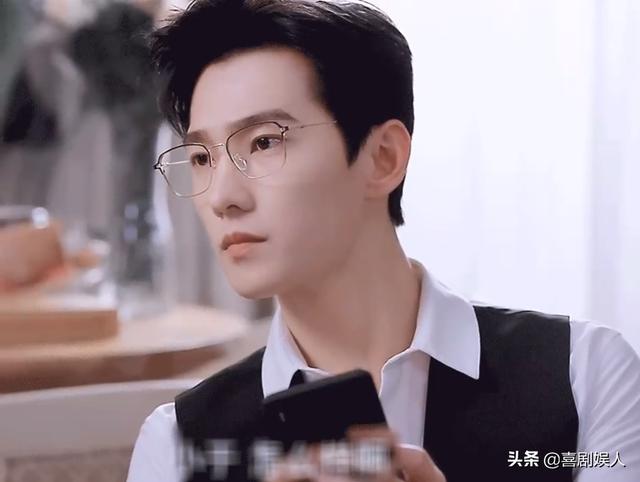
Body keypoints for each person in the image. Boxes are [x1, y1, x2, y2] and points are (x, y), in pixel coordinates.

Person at [127, 1, 640, 481]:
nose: (221, 197)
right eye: (202, 158)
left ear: (383, 158)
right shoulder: (176, 443)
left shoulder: (585, 375)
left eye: (264, 142)